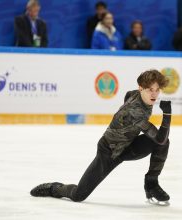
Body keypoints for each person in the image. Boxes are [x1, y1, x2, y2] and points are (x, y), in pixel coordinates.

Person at [30, 70, 172, 205]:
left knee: (164, 142)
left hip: (128, 146)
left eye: (157, 90)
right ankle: (54, 188)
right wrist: (167, 114)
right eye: (150, 90)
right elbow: (159, 137)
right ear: (141, 88)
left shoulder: (135, 94)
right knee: (78, 195)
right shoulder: (135, 112)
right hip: (108, 152)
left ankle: (151, 184)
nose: (154, 94)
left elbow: (128, 95)